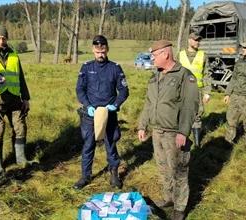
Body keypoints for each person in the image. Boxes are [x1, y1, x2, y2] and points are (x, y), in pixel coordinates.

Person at [137, 40, 199, 220]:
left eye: (154, 55)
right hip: (157, 131)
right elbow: (149, 104)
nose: (152, 59)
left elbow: (190, 106)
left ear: (165, 54)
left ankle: (179, 208)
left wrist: (183, 132)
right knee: (163, 168)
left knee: (179, 171)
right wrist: (143, 125)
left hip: (175, 133)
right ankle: (168, 198)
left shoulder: (184, 76)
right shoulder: (155, 76)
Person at [74, 35, 129, 190]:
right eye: (97, 51)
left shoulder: (115, 68)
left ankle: (114, 174)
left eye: (103, 51)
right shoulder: (86, 67)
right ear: (93, 50)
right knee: (88, 145)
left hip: (108, 114)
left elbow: (124, 90)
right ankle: (85, 176)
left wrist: (116, 105)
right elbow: (80, 89)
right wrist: (87, 104)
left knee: (111, 144)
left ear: (107, 49)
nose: (100, 54)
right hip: (90, 115)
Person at [0, 26, 31, 179]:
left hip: (15, 98)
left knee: (20, 127)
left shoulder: (14, 55)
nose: (1, 41)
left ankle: (21, 159)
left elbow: (20, 77)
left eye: (4, 38)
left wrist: (26, 98)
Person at [178, 32, 211, 148]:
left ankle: (197, 144)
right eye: (195, 40)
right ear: (189, 40)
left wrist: (207, 92)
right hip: (183, 89)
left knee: (197, 114)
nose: (197, 42)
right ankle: (182, 139)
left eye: (199, 40)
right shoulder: (180, 55)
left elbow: (206, 74)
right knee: (182, 113)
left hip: (198, 89)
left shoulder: (203, 55)